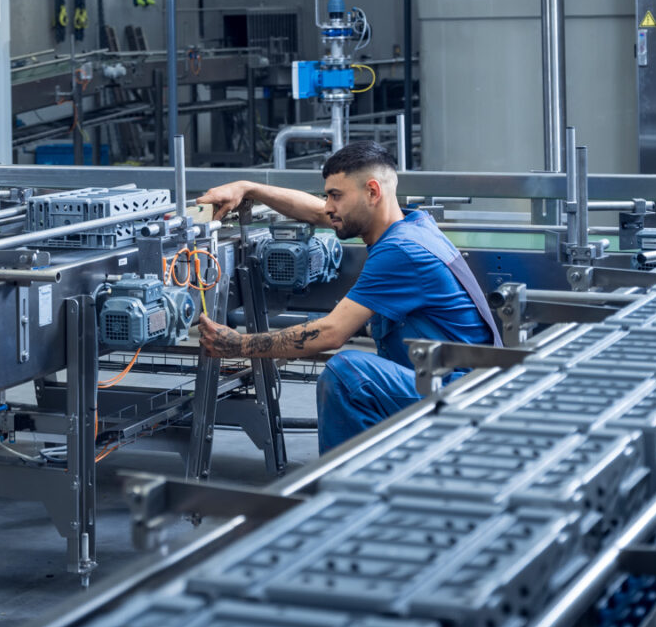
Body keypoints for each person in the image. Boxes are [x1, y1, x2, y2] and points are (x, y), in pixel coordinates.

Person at [195, 141, 500, 452]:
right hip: (464, 380)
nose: (328, 206)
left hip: (464, 393)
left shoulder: (400, 251)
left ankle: (346, 492)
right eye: (328, 195)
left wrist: (237, 344)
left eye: (335, 196)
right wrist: (248, 188)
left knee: (346, 374)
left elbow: (330, 334)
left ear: (372, 191)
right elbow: (315, 212)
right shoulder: (410, 225)